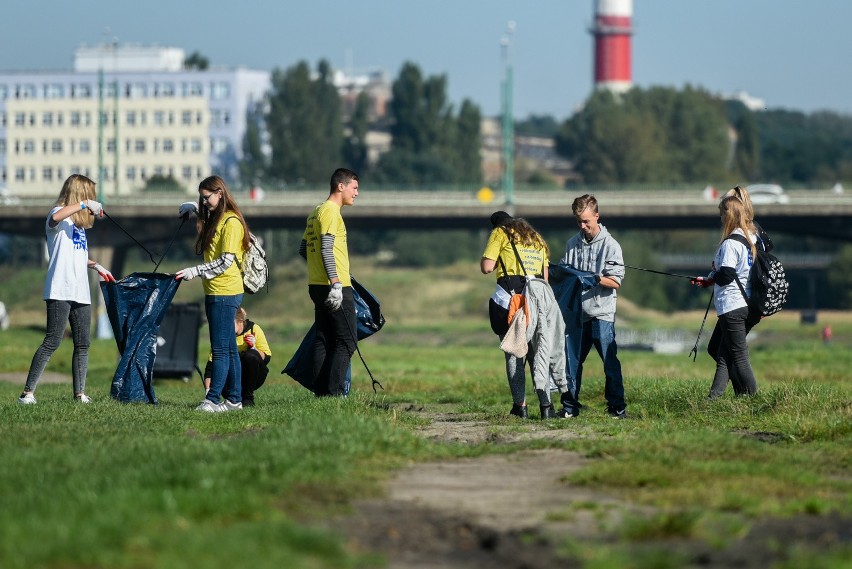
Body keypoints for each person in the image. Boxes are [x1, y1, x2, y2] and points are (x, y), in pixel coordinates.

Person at [18, 174, 115, 405]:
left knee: (83, 343)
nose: (92, 199)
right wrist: (83, 205)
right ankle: (27, 393)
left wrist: (96, 265)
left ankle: (80, 393)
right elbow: (56, 218)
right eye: (88, 194)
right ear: (79, 193)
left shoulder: (79, 226)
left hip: (80, 289)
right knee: (53, 340)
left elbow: (75, 255)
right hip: (59, 288)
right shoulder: (58, 214)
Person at [481, 212, 571, 419]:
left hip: (513, 302)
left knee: (514, 352)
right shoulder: (536, 238)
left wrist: (497, 260)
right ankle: (546, 407)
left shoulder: (500, 233)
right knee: (538, 352)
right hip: (540, 302)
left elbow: (487, 267)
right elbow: (545, 279)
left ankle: (520, 407)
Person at [177, 175, 250, 412]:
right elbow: (210, 226)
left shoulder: (232, 223)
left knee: (219, 349)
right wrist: (196, 211)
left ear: (220, 193)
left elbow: (225, 262)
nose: (204, 201)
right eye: (201, 198)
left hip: (224, 293)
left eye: (206, 197)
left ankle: (213, 399)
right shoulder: (219, 219)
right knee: (229, 348)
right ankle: (235, 400)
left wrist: (194, 271)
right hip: (216, 291)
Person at [694, 186, 769, 398]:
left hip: (732, 306)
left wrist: (712, 277)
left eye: (721, 214)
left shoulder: (730, 243)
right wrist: (711, 278)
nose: (719, 218)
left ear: (729, 215)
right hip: (745, 303)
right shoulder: (752, 238)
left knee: (737, 356)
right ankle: (725, 397)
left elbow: (726, 275)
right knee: (721, 351)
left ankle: (752, 397)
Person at [558, 194, 627, 419]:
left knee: (609, 362)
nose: (583, 225)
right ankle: (570, 408)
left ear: (597, 216)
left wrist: (595, 278)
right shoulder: (571, 244)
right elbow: (564, 276)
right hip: (577, 315)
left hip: (602, 314)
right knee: (572, 363)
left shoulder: (611, 245)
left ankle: (617, 408)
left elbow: (615, 281)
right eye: (579, 221)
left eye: (586, 220)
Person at [298, 168, 359, 397]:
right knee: (347, 341)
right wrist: (334, 280)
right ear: (340, 186)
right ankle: (332, 394)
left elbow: (304, 249)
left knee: (323, 339)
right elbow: (325, 247)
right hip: (335, 286)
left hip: (316, 285)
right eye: (354, 187)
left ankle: (321, 393)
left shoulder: (315, 212)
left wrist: (318, 271)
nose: (356, 193)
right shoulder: (331, 212)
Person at [203, 307, 271, 406]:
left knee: (251, 355)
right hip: (228, 383)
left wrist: (254, 347)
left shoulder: (253, 329)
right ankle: (228, 399)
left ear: (240, 322)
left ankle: (248, 398)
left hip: (252, 376)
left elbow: (266, 358)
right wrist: (208, 393)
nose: (225, 327)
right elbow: (210, 369)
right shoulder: (222, 336)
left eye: (229, 323)